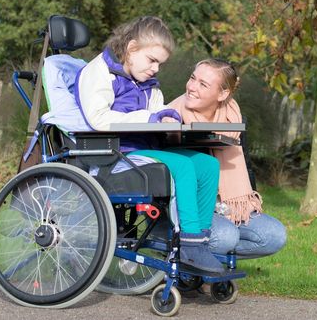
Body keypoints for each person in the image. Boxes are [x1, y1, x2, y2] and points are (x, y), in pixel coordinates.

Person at [75, 16, 223, 273]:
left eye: (160, 64)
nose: (156, 69)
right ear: (132, 49)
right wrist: (150, 117)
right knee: (184, 167)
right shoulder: (99, 72)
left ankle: (201, 239)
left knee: (208, 165)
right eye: (152, 60)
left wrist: (167, 116)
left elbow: (157, 110)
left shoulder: (146, 81)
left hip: (145, 149)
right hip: (114, 155)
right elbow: (97, 119)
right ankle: (189, 245)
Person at [169, 58, 287, 261]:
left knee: (274, 235)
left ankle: (203, 258)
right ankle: (191, 264)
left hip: (228, 207)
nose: (192, 87)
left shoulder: (232, 117)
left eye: (203, 84)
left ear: (223, 94)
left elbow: (246, 165)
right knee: (226, 236)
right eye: (192, 78)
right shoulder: (171, 116)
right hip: (188, 210)